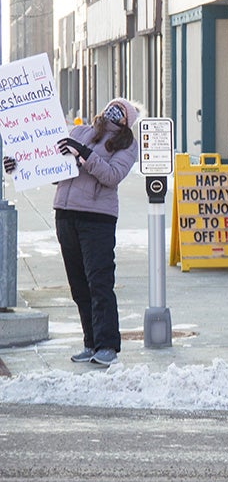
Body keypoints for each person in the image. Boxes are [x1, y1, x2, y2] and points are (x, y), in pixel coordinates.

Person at [4, 98, 140, 366]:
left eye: (120, 111)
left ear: (126, 121)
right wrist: (19, 166)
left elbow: (111, 176)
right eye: (111, 107)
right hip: (66, 214)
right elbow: (52, 167)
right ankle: (90, 342)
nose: (112, 112)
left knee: (99, 282)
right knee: (79, 285)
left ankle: (107, 346)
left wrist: (84, 154)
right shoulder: (81, 132)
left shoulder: (126, 145)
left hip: (97, 218)